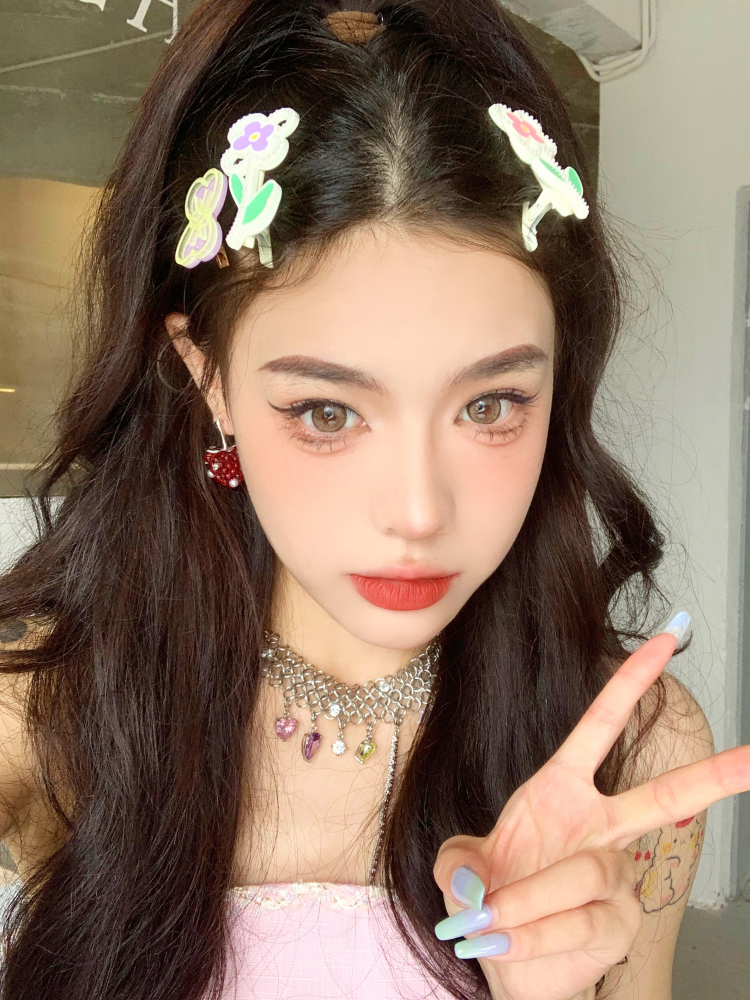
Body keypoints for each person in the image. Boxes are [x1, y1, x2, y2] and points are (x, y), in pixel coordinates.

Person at [0, 2, 747, 999]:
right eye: (326, 412)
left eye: (490, 403)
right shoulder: (37, 708)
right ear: (209, 378)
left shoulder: (636, 748)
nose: (418, 512)